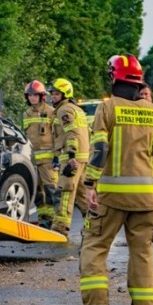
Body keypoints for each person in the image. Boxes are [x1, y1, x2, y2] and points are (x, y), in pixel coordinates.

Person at [79, 54, 153, 305]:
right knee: (142, 252)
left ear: (114, 77)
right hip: (145, 199)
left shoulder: (108, 107)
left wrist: (90, 183)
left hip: (111, 196)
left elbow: (100, 149)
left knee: (95, 245)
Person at [49, 78, 89, 236]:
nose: (53, 96)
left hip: (71, 157)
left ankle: (60, 227)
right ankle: (92, 227)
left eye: (56, 94)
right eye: (52, 93)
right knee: (83, 196)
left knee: (65, 193)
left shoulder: (64, 110)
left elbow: (71, 133)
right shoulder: (77, 109)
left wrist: (71, 155)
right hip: (83, 158)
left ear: (65, 94)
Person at [22, 80, 57, 228]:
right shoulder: (26, 114)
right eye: (30, 95)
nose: (32, 98)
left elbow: (57, 135)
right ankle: (44, 221)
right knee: (37, 193)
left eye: (35, 95)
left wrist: (57, 156)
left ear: (42, 96)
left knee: (51, 190)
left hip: (48, 161)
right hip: (32, 160)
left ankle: (55, 222)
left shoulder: (51, 112)